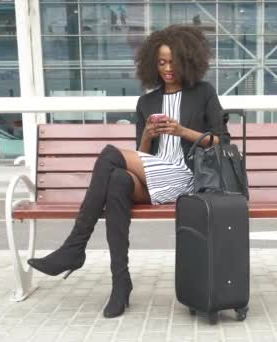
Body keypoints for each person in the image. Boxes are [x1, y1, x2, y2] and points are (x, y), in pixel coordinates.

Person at [27, 25, 227, 319]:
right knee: (118, 181)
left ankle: (75, 247)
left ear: (187, 60)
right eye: (161, 62)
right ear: (152, 63)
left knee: (110, 154)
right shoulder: (146, 102)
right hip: (155, 175)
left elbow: (222, 140)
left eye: (173, 61)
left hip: (186, 176)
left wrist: (181, 130)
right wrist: (147, 133)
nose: (167, 68)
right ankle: (121, 283)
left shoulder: (203, 93)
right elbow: (142, 156)